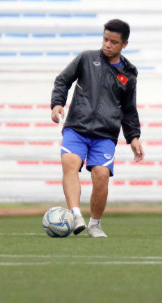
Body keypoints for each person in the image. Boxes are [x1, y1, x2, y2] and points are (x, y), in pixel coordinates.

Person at [51, 19, 144, 238]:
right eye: (105, 39)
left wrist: (134, 137)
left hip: (105, 134)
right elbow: (62, 81)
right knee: (69, 163)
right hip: (77, 127)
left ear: (124, 44)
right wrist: (57, 103)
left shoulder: (129, 73)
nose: (107, 45)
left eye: (113, 41)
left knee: (101, 176)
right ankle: (75, 214)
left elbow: (129, 109)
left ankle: (94, 224)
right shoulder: (86, 58)